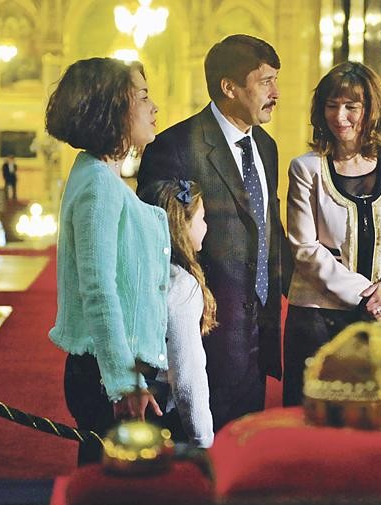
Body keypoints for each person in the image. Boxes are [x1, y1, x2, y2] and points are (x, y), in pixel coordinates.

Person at [137, 34, 291, 431]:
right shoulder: (174, 147)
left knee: (244, 448)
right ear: (229, 87)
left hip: (258, 336)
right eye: (266, 81)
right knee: (201, 452)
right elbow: (159, 250)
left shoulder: (267, 146)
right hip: (202, 338)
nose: (276, 92)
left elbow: (268, 229)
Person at [46, 57, 167, 465]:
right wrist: (123, 383)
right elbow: (98, 289)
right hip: (106, 374)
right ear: (113, 108)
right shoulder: (98, 182)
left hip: (113, 369)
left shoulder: (100, 173)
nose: (154, 107)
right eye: (144, 97)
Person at [283, 61, 381, 406]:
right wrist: (368, 298)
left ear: (371, 110)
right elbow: (305, 249)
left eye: (350, 107)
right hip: (317, 317)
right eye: (332, 106)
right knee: (315, 422)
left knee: (376, 419)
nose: (339, 116)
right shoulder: (306, 168)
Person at [138, 179, 216, 448]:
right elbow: (187, 373)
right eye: (202, 218)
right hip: (155, 412)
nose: (206, 226)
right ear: (182, 225)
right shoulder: (180, 285)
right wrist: (202, 439)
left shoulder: (139, 270)